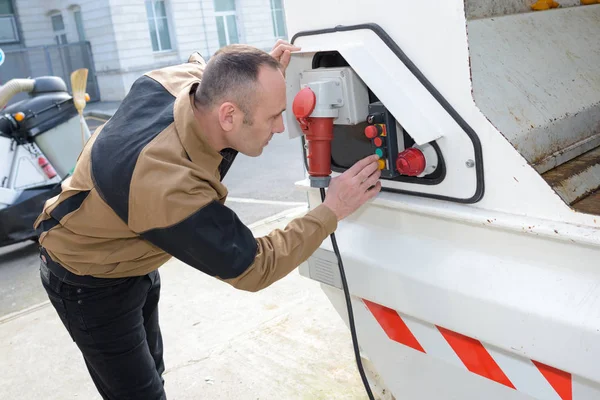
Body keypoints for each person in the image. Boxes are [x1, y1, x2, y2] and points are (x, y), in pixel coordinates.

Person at [34, 40, 382, 400]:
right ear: (228, 116)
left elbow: (221, 70)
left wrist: (264, 75)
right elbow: (255, 265)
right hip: (87, 278)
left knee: (152, 367)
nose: (281, 128)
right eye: (273, 116)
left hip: (133, 254)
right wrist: (331, 209)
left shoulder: (184, 81)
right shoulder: (166, 187)